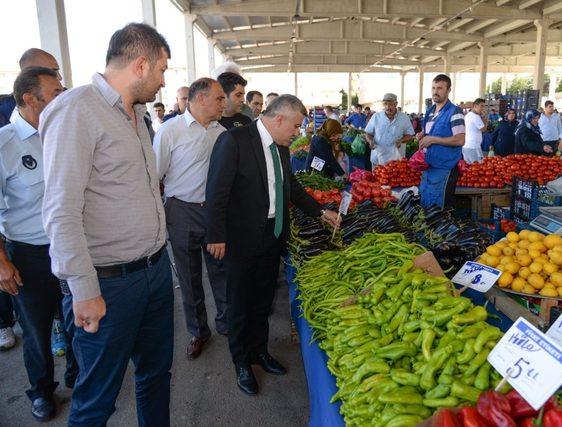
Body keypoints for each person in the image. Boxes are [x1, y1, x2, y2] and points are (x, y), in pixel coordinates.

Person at [40, 23, 173, 426]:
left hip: (154, 271)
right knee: (97, 399)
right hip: (109, 284)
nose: (164, 81)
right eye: (162, 70)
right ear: (140, 64)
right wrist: (83, 289)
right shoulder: (77, 109)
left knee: (155, 376)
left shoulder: (135, 114)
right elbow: (61, 210)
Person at [205, 95, 340, 396]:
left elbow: (290, 185)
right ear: (279, 119)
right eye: (295, 126)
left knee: (263, 299)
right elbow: (216, 191)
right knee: (240, 302)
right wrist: (215, 235)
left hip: (272, 233)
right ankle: (241, 362)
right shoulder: (235, 140)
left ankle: (259, 352)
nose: (296, 133)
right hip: (240, 238)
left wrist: (320, 211)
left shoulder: (281, 148)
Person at [0, 67, 77, 422]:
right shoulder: (5, 146)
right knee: (36, 330)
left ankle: (79, 375)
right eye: (56, 91)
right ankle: (42, 390)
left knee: (77, 319)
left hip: (70, 246)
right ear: (31, 99)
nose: (64, 95)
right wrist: (1, 262)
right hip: (29, 255)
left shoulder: (64, 132)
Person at [154, 78, 228, 359]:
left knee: (220, 271)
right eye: (219, 98)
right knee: (189, 277)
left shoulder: (221, 132)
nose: (224, 103)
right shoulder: (170, 131)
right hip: (181, 210)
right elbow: (155, 175)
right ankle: (198, 332)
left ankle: (226, 322)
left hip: (214, 213)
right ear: (199, 99)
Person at [418, 74, 465, 208]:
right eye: (433, 88)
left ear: (448, 90)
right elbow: (430, 132)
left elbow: (460, 140)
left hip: (444, 168)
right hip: (428, 167)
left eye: (439, 88)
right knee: (426, 206)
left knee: (439, 211)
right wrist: (423, 135)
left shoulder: (455, 112)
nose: (435, 92)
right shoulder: (430, 111)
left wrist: (433, 139)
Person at [365, 93, 415, 166]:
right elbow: (368, 133)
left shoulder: (404, 118)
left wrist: (401, 140)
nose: (388, 107)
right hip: (378, 159)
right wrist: (370, 141)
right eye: (385, 104)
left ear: (396, 104)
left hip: (397, 160)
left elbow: (410, 135)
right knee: (376, 177)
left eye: (391, 104)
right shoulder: (376, 117)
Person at [462, 98, 487, 163]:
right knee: (477, 167)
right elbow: (483, 129)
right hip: (473, 146)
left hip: (467, 145)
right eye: (481, 106)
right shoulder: (475, 116)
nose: (483, 108)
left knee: (468, 166)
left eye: (484, 106)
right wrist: (485, 117)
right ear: (475, 106)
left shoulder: (468, 115)